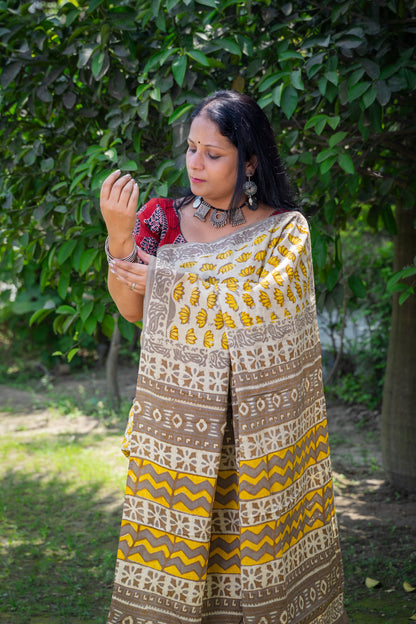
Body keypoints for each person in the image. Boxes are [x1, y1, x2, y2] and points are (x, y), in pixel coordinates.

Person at [100, 90, 348, 624]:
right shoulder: (162, 218)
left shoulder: (285, 231)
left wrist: (168, 279)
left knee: (249, 567)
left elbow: (266, 313)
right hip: (177, 433)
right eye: (191, 149)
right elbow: (132, 311)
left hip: (259, 438)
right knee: (171, 564)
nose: (195, 163)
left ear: (250, 160)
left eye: (213, 154)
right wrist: (120, 236)